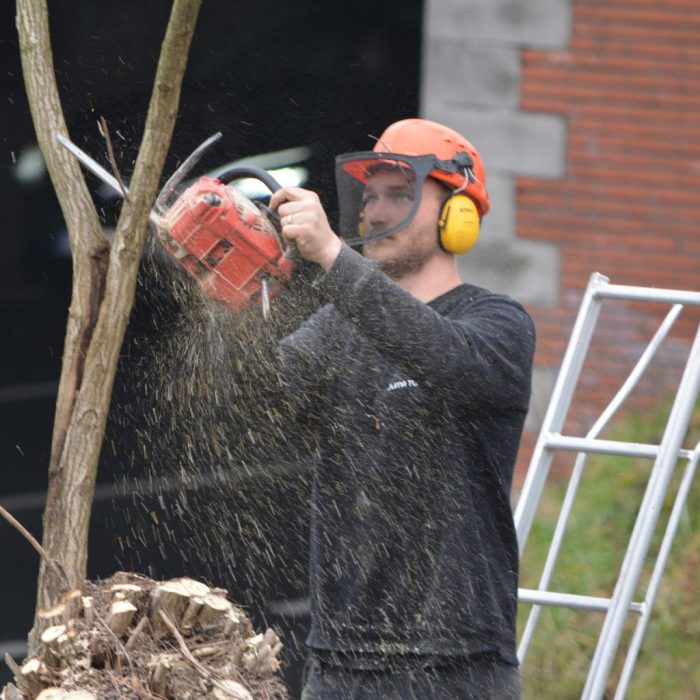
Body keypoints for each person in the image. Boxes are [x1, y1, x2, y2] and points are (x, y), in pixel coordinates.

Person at [255, 117, 535, 699]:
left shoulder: (498, 324)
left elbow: (440, 353)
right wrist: (236, 285)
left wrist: (332, 256)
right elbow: (263, 392)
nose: (375, 213)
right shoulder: (337, 327)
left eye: (401, 194)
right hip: (338, 662)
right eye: (372, 195)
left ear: (457, 215)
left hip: (455, 663)